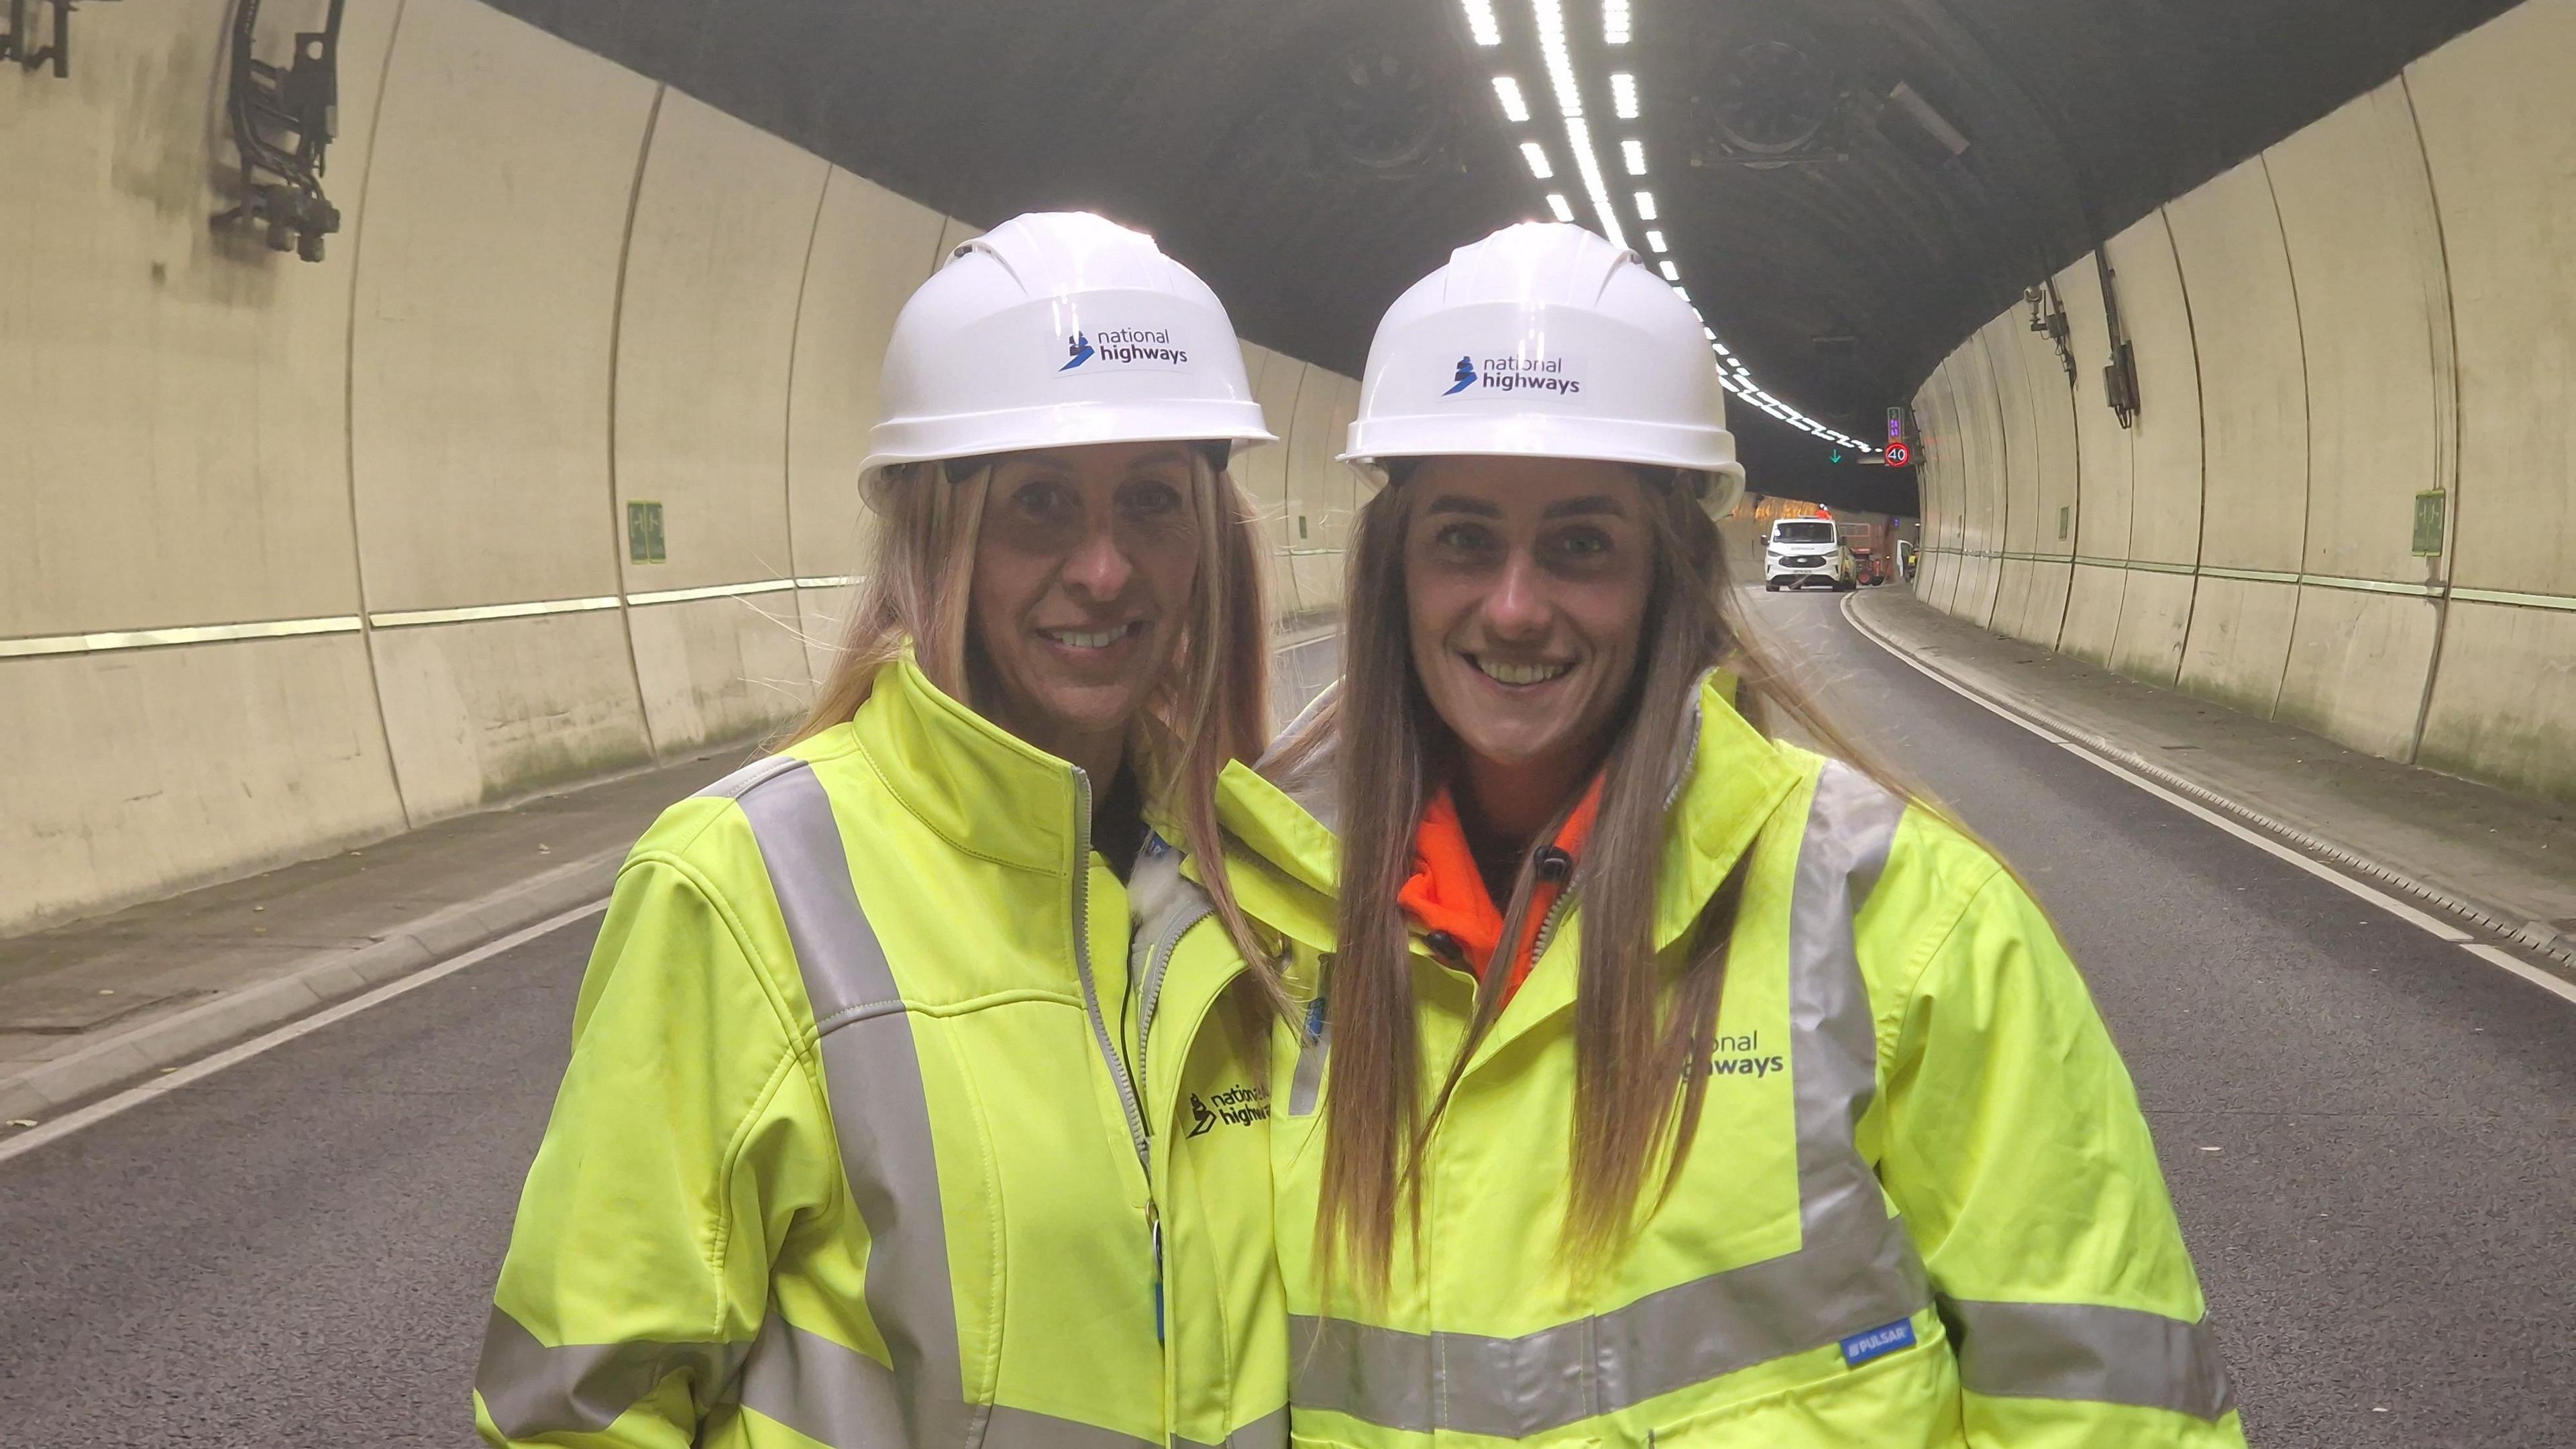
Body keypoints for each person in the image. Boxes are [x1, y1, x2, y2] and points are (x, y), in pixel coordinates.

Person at [1183, 223, 2249, 1445]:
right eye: (1465, 538)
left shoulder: (1904, 925)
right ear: (1394, 571)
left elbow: (2102, 1405)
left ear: (1669, 574)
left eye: (1581, 543)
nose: (1517, 606)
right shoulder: (1245, 923)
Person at [472, 212, 1288, 1449]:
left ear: (1210, 540)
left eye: (1153, 504)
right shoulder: (746, 881)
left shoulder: (1263, 884)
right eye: (1041, 505)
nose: (1106, 569)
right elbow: (583, 1409)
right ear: (935, 531)